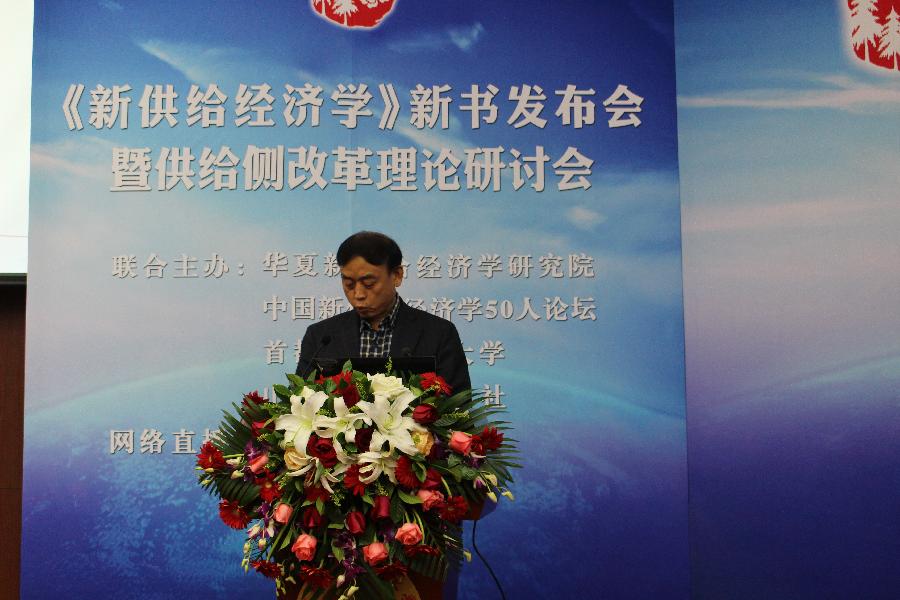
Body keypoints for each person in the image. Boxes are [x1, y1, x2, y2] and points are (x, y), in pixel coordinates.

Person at [295, 231, 470, 393]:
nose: (358, 294)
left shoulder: (439, 334)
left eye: (369, 284)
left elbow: (457, 404)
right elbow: (299, 400)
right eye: (349, 284)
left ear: (397, 275)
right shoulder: (320, 336)